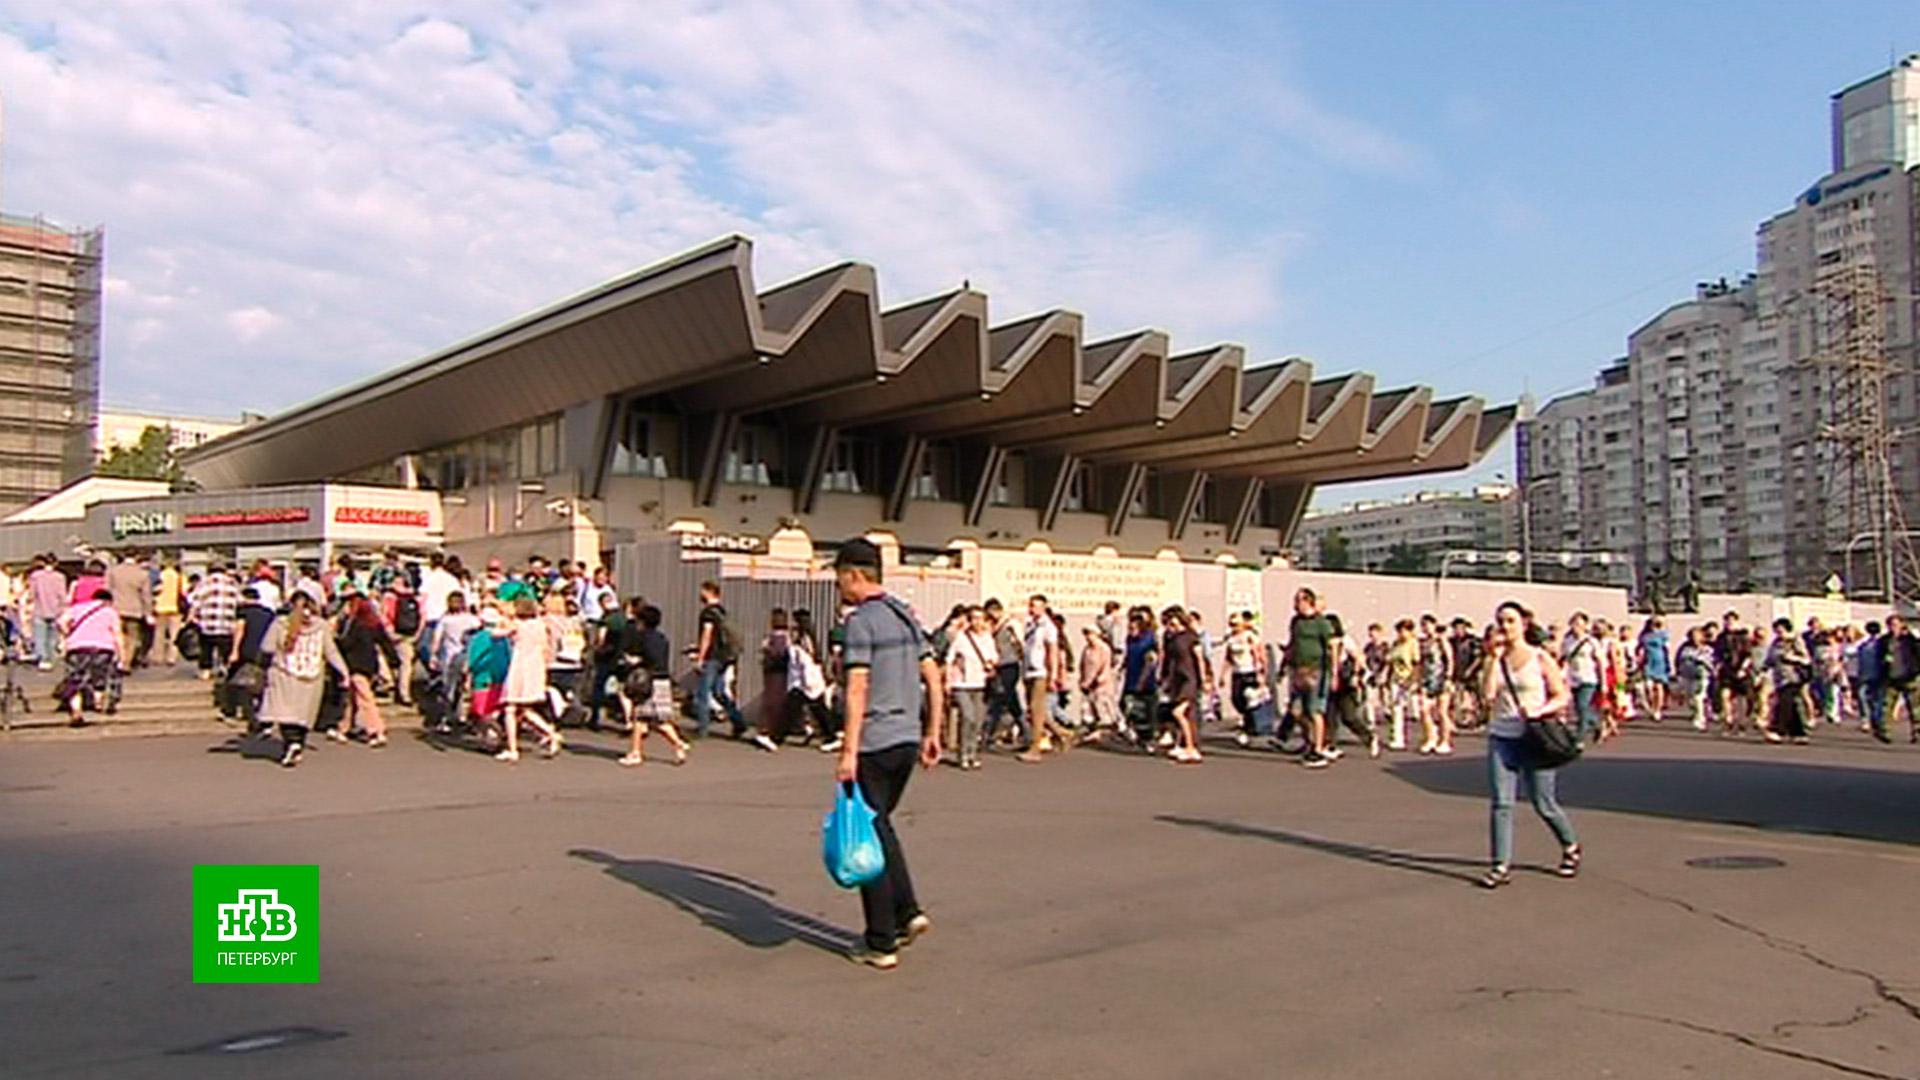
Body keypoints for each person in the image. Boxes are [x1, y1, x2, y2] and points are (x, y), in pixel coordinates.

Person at [831, 538, 942, 971]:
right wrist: (932, 731)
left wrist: (848, 750)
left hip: (875, 741)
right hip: (907, 738)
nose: (837, 584)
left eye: (838, 575)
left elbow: (857, 689)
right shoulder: (906, 615)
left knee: (864, 839)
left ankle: (881, 941)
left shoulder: (861, 623)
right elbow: (933, 677)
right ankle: (907, 911)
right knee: (880, 826)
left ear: (854, 575)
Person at [1479, 600, 1580, 889]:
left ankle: (1570, 846)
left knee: (1543, 803)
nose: (1505, 627)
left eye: (1510, 620)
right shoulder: (1497, 660)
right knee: (1501, 803)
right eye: (1501, 621)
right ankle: (1500, 865)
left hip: (1534, 736)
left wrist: (1540, 710)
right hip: (1502, 735)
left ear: (1523, 623)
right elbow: (1487, 696)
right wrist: (1491, 659)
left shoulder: (1539, 658)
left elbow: (1562, 695)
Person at [257, 586, 351, 767]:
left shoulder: (281, 623)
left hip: (284, 673)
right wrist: (343, 672)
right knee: (303, 714)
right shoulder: (321, 626)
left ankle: (291, 743)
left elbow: (267, 647)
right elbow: (331, 651)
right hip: (312, 676)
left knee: (285, 713)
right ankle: (298, 743)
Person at [620, 603, 689, 766]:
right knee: (660, 720)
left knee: (639, 717)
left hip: (648, 681)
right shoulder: (662, 638)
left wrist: (635, 661)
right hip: (663, 680)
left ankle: (636, 753)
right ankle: (678, 744)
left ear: (642, 621)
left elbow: (646, 658)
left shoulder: (643, 638)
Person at [496, 595, 563, 762]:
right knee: (525, 709)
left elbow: (496, 634)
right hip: (536, 666)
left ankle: (513, 748)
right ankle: (550, 733)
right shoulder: (541, 625)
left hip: (520, 666)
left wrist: (503, 620)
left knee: (510, 708)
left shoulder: (518, 625)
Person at [338, 593, 401, 748]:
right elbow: (385, 642)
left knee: (365, 699)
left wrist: (336, 636)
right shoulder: (374, 624)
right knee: (353, 697)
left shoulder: (354, 625)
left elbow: (346, 644)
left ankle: (377, 730)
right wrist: (394, 661)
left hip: (355, 664)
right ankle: (344, 727)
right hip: (370, 664)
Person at [55, 585, 120, 728]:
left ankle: (76, 711)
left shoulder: (78, 608)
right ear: (108, 600)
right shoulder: (110, 611)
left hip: (77, 647)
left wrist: (67, 632)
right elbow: (117, 633)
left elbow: (60, 622)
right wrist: (121, 653)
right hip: (103, 647)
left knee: (74, 680)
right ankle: (97, 703)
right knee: (99, 677)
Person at [1285, 589, 1337, 768]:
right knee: (1296, 711)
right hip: (1299, 670)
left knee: (1315, 710)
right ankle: (1309, 740)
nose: (1295, 604)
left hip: (1317, 670)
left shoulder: (1321, 623)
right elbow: (1292, 643)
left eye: (1298, 601)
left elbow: (1332, 647)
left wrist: (1334, 672)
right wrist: (1285, 665)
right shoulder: (1296, 622)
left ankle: (1318, 748)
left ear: (1308, 602)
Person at [690, 580, 746, 739]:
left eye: (702, 591)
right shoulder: (722, 611)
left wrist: (700, 657)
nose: (700, 595)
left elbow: (707, 635)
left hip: (712, 657)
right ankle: (738, 722)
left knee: (703, 692)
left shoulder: (708, 613)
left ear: (709, 592)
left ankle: (702, 729)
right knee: (719, 691)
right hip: (725, 656)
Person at [1017, 594, 1068, 763]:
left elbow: (1052, 650)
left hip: (1040, 671)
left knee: (1036, 709)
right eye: (1031, 605)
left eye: (1036, 606)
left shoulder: (1048, 626)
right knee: (1035, 710)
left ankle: (1035, 748)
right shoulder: (1030, 624)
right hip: (1028, 670)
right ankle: (1063, 733)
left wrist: (1053, 674)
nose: (1032, 609)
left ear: (1044, 607)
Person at [944, 605, 995, 769]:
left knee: (977, 720)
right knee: (968, 716)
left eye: (980, 618)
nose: (977, 622)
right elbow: (949, 658)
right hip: (961, 683)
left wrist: (991, 663)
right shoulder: (961, 637)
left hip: (979, 683)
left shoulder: (987, 638)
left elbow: (994, 656)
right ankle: (963, 753)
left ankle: (973, 752)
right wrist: (948, 680)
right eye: (973, 618)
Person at [1158, 606, 1203, 764]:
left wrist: (1203, 678)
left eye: (1172, 622)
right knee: (1182, 713)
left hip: (1189, 679)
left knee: (1179, 713)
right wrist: (1164, 678)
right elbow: (1167, 659)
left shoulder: (1190, 637)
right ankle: (1182, 744)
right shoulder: (1171, 638)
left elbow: (1199, 658)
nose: (1170, 625)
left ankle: (1191, 748)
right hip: (1176, 678)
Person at [1764, 617, 1813, 745]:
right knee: (1792, 705)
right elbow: (1769, 659)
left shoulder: (1795, 641)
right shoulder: (1775, 643)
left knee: (1784, 703)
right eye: (1776, 631)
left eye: (1780, 630)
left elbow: (1806, 659)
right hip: (1780, 678)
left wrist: (1791, 658)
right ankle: (1798, 733)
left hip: (1794, 677)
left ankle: (1777, 730)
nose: (1778, 633)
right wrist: (1764, 669)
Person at [189, 563, 242, 681]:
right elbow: (239, 601)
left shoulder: (205, 582)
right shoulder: (232, 583)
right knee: (225, 647)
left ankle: (206, 671)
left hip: (208, 623)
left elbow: (195, 601)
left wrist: (191, 617)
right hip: (227, 623)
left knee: (206, 648)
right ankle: (225, 668)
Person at [1224, 611, 1269, 746]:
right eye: (1231, 624)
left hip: (1249, 671)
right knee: (1236, 698)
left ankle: (1248, 728)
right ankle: (1246, 721)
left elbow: (1258, 654)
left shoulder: (1250, 637)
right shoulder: (1231, 639)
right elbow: (1228, 657)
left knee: (1248, 699)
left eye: (1236, 624)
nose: (1234, 627)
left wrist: (1261, 673)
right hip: (1237, 672)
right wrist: (1223, 674)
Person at [106, 552, 154, 670]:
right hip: (134, 609)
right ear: (136, 557)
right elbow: (146, 595)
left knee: (117, 635)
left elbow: (107, 589)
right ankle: (126, 662)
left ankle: (118, 659)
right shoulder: (142, 574)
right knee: (133, 637)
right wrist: (148, 613)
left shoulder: (113, 571)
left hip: (115, 608)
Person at [752, 609, 791, 753]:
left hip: (776, 672)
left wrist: (767, 650)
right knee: (775, 701)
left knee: (772, 702)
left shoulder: (778, 638)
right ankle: (769, 731)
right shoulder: (785, 637)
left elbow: (778, 654)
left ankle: (767, 732)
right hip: (777, 673)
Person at [1561, 613, 1603, 745]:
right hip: (1573, 678)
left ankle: (1579, 738)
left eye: (1579, 624)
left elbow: (1600, 661)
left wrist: (1604, 682)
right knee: (1580, 708)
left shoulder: (1591, 642)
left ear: (1585, 626)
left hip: (1588, 678)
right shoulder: (1567, 641)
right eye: (1573, 624)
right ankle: (1596, 723)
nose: (1576, 627)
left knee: (1582, 705)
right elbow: (1563, 659)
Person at [383, 575, 423, 706]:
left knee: (386, 657)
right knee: (406, 664)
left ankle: (393, 685)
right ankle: (404, 692)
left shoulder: (389, 597)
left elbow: (384, 614)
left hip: (395, 632)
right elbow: (423, 615)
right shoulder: (415, 597)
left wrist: (389, 631)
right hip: (409, 633)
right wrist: (417, 633)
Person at [1880, 614, 1920, 743]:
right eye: (1891, 625)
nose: (1893, 628)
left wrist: (1916, 671)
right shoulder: (1885, 640)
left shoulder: (1909, 640)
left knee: (1915, 708)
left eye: (1896, 625)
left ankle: (1917, 732)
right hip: (1891, 677)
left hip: (1909, 677)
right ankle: (1886, 731)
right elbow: (1879, 657)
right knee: (1887, 706)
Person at [26, 554, 67, 670]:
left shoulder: (36, 576)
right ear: (56, 563)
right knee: (53, 636)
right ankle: (50, 657)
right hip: (55, 610)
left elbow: (32, 594)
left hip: (40, 609)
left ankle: (43, 659)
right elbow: (62, 595)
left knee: (40, 636)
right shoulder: (60, 577)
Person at [1386, 619, 1420, 751]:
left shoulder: (1412, 644)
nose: (1401, 634)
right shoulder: (1396, 644)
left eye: (1404, 631)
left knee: (1410, 709)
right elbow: (1390, 661)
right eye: (1399, 631)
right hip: (1396, 678)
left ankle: (1431, 734)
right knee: (1396, 708)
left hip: (1407, 678)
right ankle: (1397, 737)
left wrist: (1413, 680)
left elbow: (1416, 662)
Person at [1676, 626, 1716, 731]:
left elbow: (1711, 663)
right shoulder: (1685, 649)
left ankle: (1700, 719)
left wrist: (1703, 662)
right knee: (1690, 700)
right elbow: (1679, 661)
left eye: (1697, 636)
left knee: (1698, 697)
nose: (1695, 638)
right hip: (1687, 676)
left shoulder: (1708, 649)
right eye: (1692, 636)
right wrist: (1679, 672)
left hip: (1701, 677)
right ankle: (1699, 711)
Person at [1857, 620, 1889, 743]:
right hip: (1866, 675)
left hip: (1878, 675)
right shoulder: (1864, 644)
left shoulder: (1881, 644)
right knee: (1863, 697)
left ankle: (1876, 721)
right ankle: (1867, 719)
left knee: (1877, 700)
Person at [153, 555, 185, 666]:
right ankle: (171, 658)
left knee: (159, 634)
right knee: (174, 635)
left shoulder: (160, 576)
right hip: (175, 608)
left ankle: (158, 657)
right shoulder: (180, 577)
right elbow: (185, 592)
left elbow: (155, 589)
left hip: (160, 607)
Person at [1638, 617, 1672, 723]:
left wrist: (1668, 663)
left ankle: (1657, 709)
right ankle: (1651, 704)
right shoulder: (1645, 635)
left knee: (1659, 686)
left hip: (1660, 661)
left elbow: (1666, 649)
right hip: (1648, 661)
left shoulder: (1663, 635)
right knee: (1648, 687)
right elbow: (1639, 647)